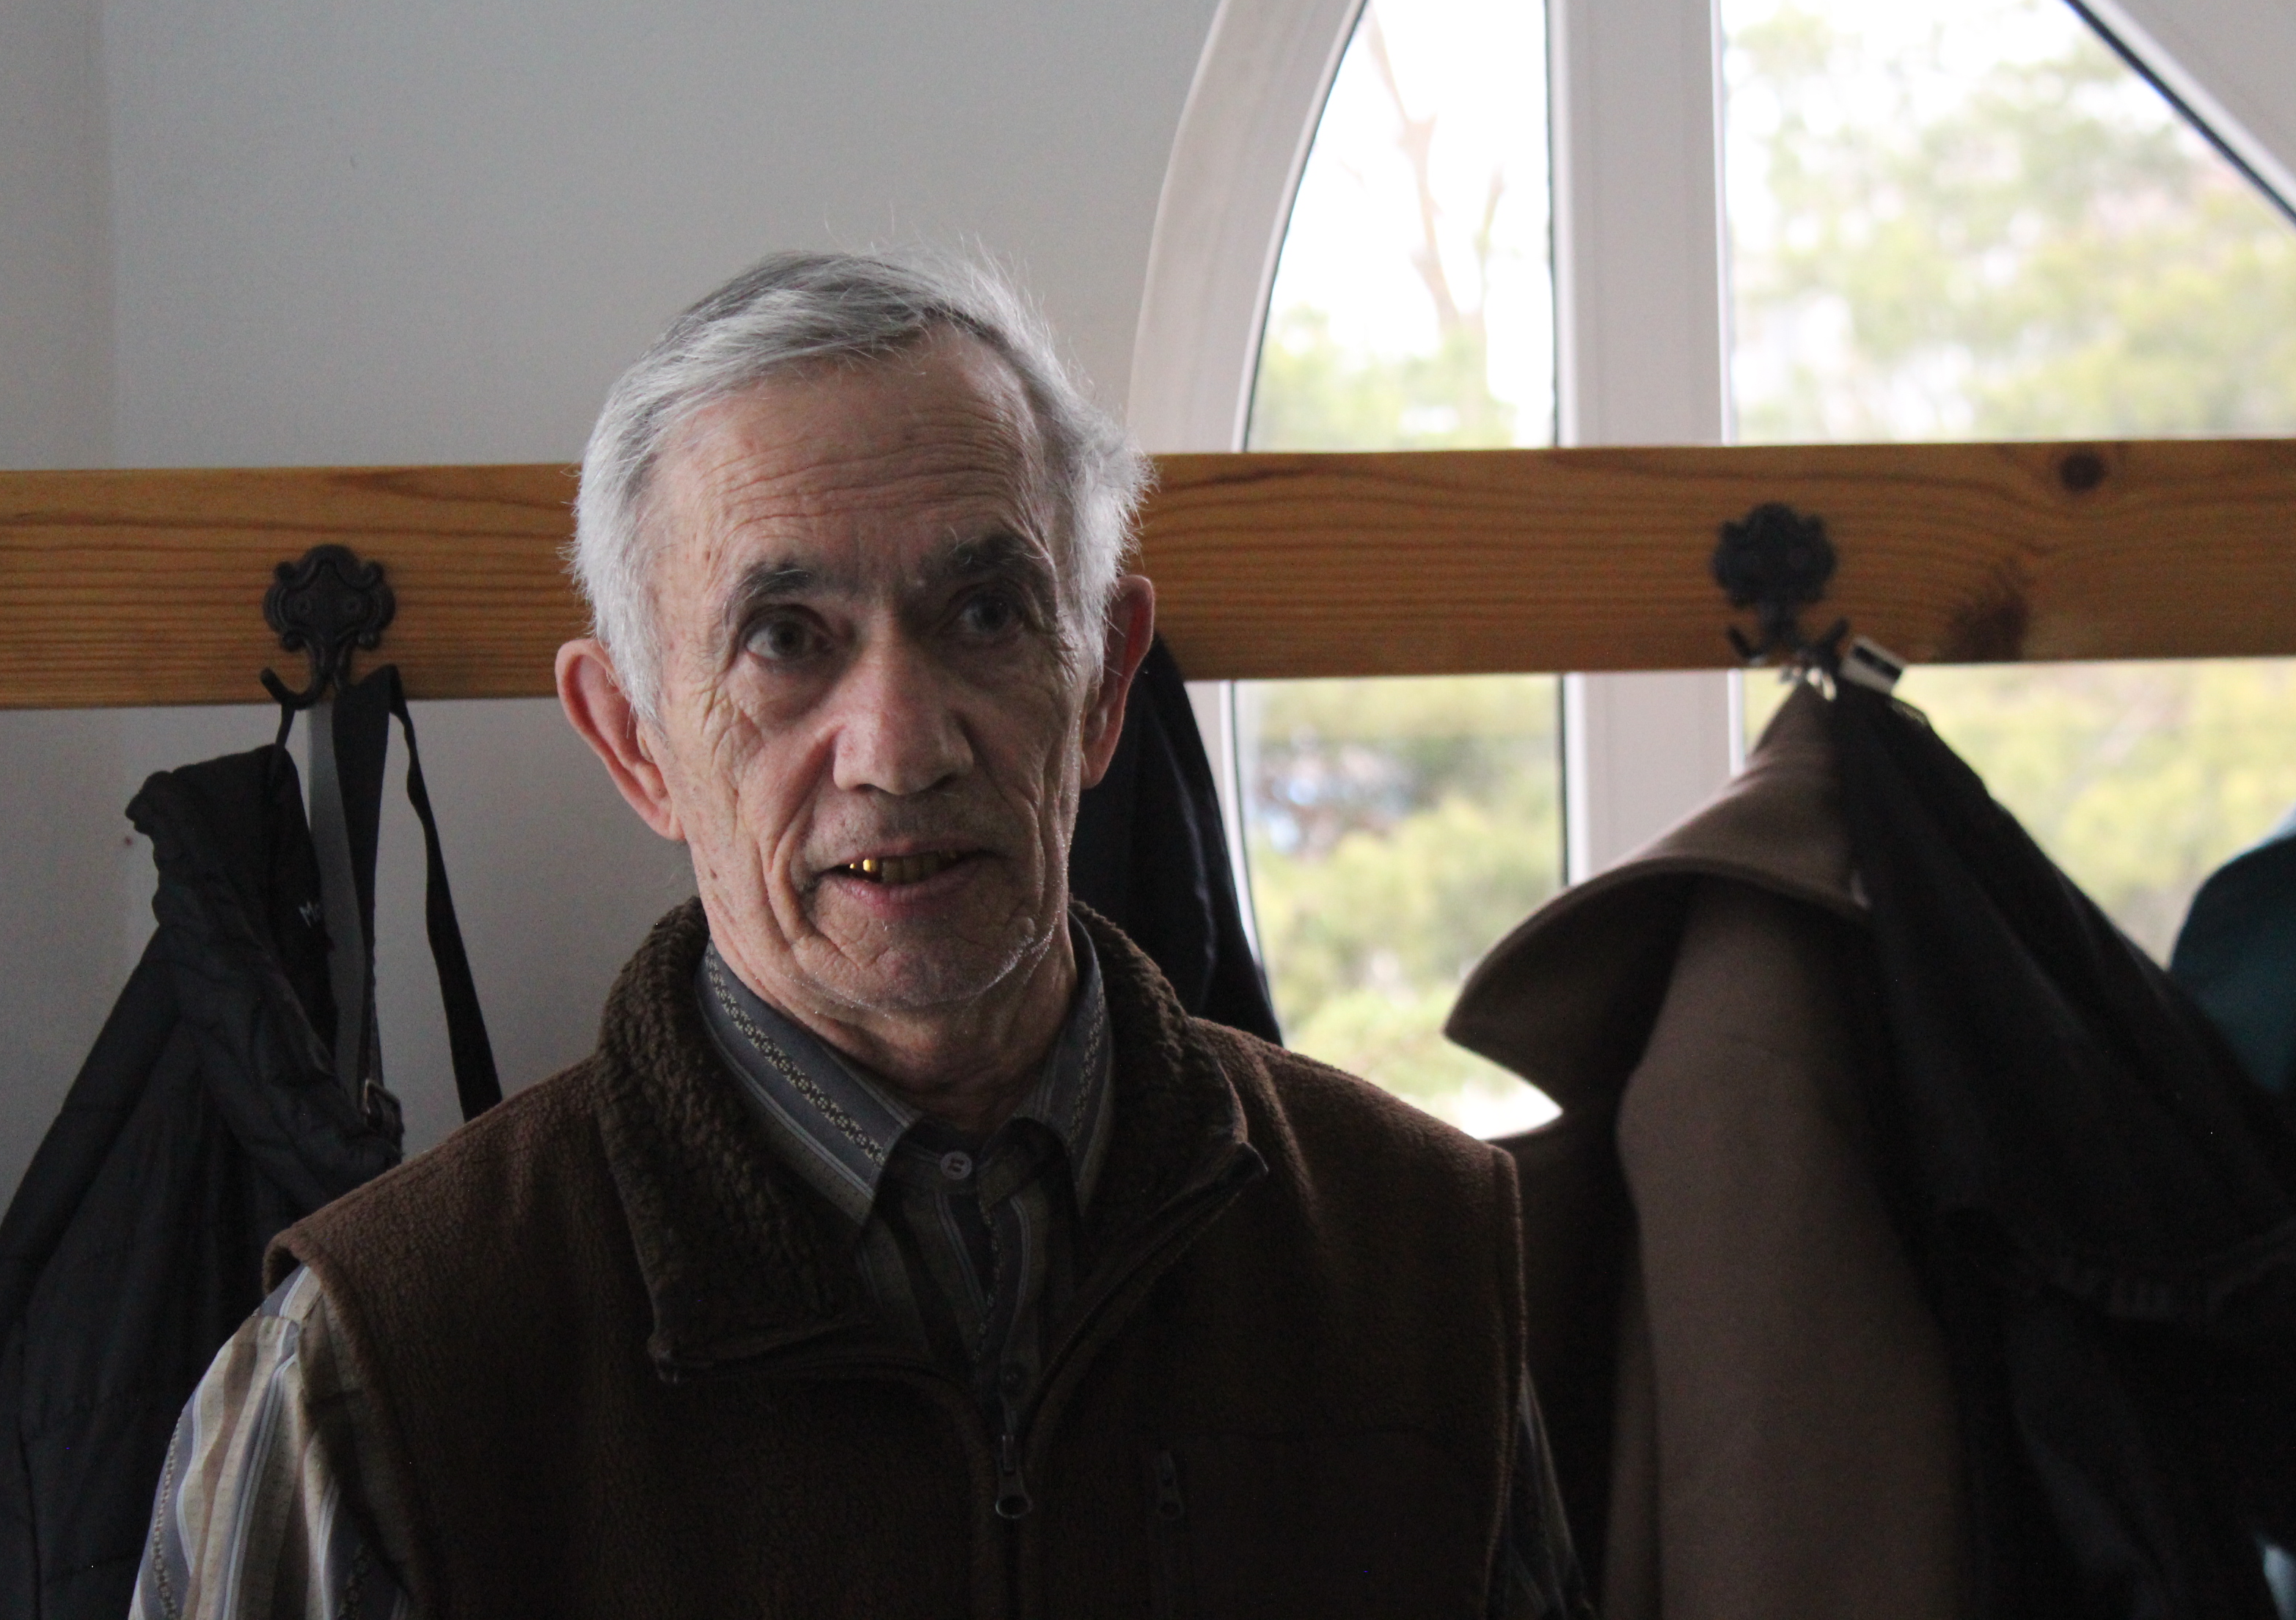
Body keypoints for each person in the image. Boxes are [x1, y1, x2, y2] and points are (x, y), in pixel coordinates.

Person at [131, 252, 1584, 1619]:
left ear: (1103, 688)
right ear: (633, 741)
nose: (900, 746)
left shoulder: (1420, 1256)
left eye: (987, 613)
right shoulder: (374, 1369)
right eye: (785, 638)